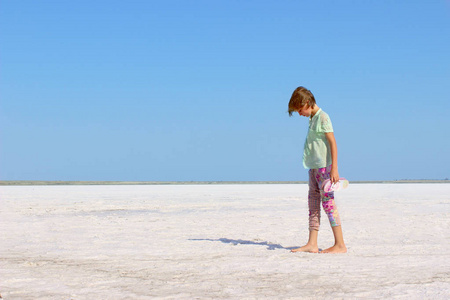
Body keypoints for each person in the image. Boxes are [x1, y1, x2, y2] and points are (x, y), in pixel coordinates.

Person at [288, 86, 347, 254]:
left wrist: (334, 168)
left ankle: (340, 244)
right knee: (313, 204)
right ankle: (312, 243)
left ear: (307, 103)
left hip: (324, 168)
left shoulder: (323, 117)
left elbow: (332, 143)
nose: (299, 113)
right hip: (313, 168)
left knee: (328, 203)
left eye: (300, 110)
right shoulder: (312, 118)